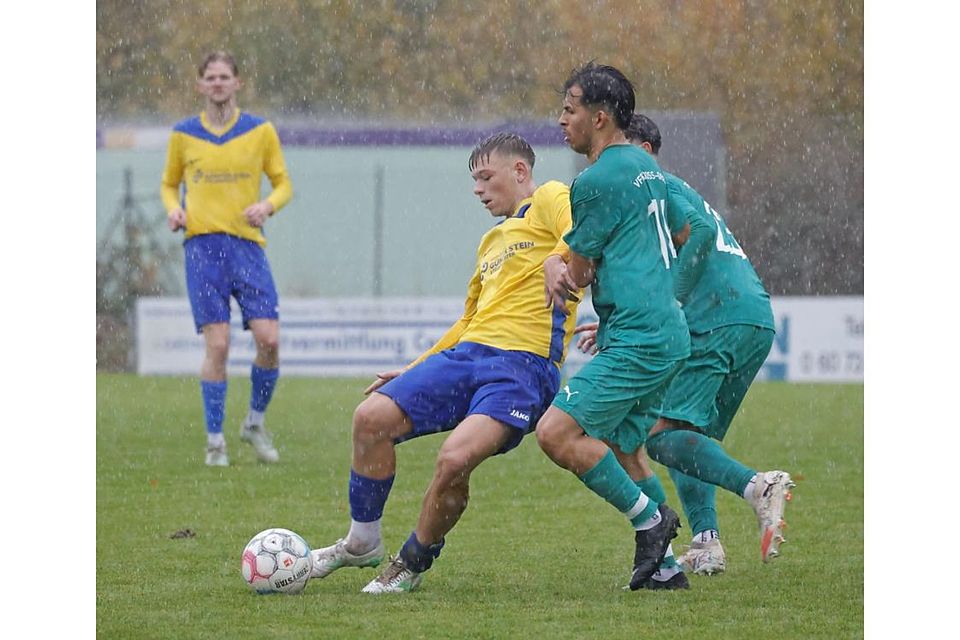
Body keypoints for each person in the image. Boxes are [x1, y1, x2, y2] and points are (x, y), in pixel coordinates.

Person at [308, 133, 580, 594]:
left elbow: (582, 230)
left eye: (485, 177)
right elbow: (468, 319)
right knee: (370, 417)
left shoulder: (551, 196)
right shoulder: (491, 242)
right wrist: (417, 367)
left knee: (455, 459)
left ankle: (411, 562)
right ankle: (362, 541)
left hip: (523, 367)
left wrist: (558, 259)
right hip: (467, 354)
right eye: (473, 180)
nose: (477, 189)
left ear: (519, 172)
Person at [576, 113, 794, 574]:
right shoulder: (655, 193)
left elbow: (701, 232)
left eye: (625, 149)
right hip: (750, 317)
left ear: (648, 152)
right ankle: (706, 541)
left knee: (660, 436)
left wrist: (669, 305)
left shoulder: (659, 185)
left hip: (713, 318)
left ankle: (758, 486)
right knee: (687, 435)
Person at [536, 62, 690, 591]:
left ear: (599, 117)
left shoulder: (596, 180)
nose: (561, 119)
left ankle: (651, 522)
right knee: (625, 449)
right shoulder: (651, 171)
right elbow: (682, 230)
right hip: (666, 331)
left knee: (556, 432)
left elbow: (576, 271)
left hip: (641, 338)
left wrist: (557, 268)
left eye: (569, 108)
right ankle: (666, 570)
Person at [160, 51, 293, 467]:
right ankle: (215, 440)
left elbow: (283, 182)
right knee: (217, 346)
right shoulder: (183, 135)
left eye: (224, 77)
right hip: (202, 249)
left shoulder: (260, 131)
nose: (217, 83)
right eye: (210, 77)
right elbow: (169, 184)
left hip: (247, 247)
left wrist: (267, 206)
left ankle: (254, 422)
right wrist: (173, 209)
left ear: (238, 83)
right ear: (200, 85)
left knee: (269, 339)